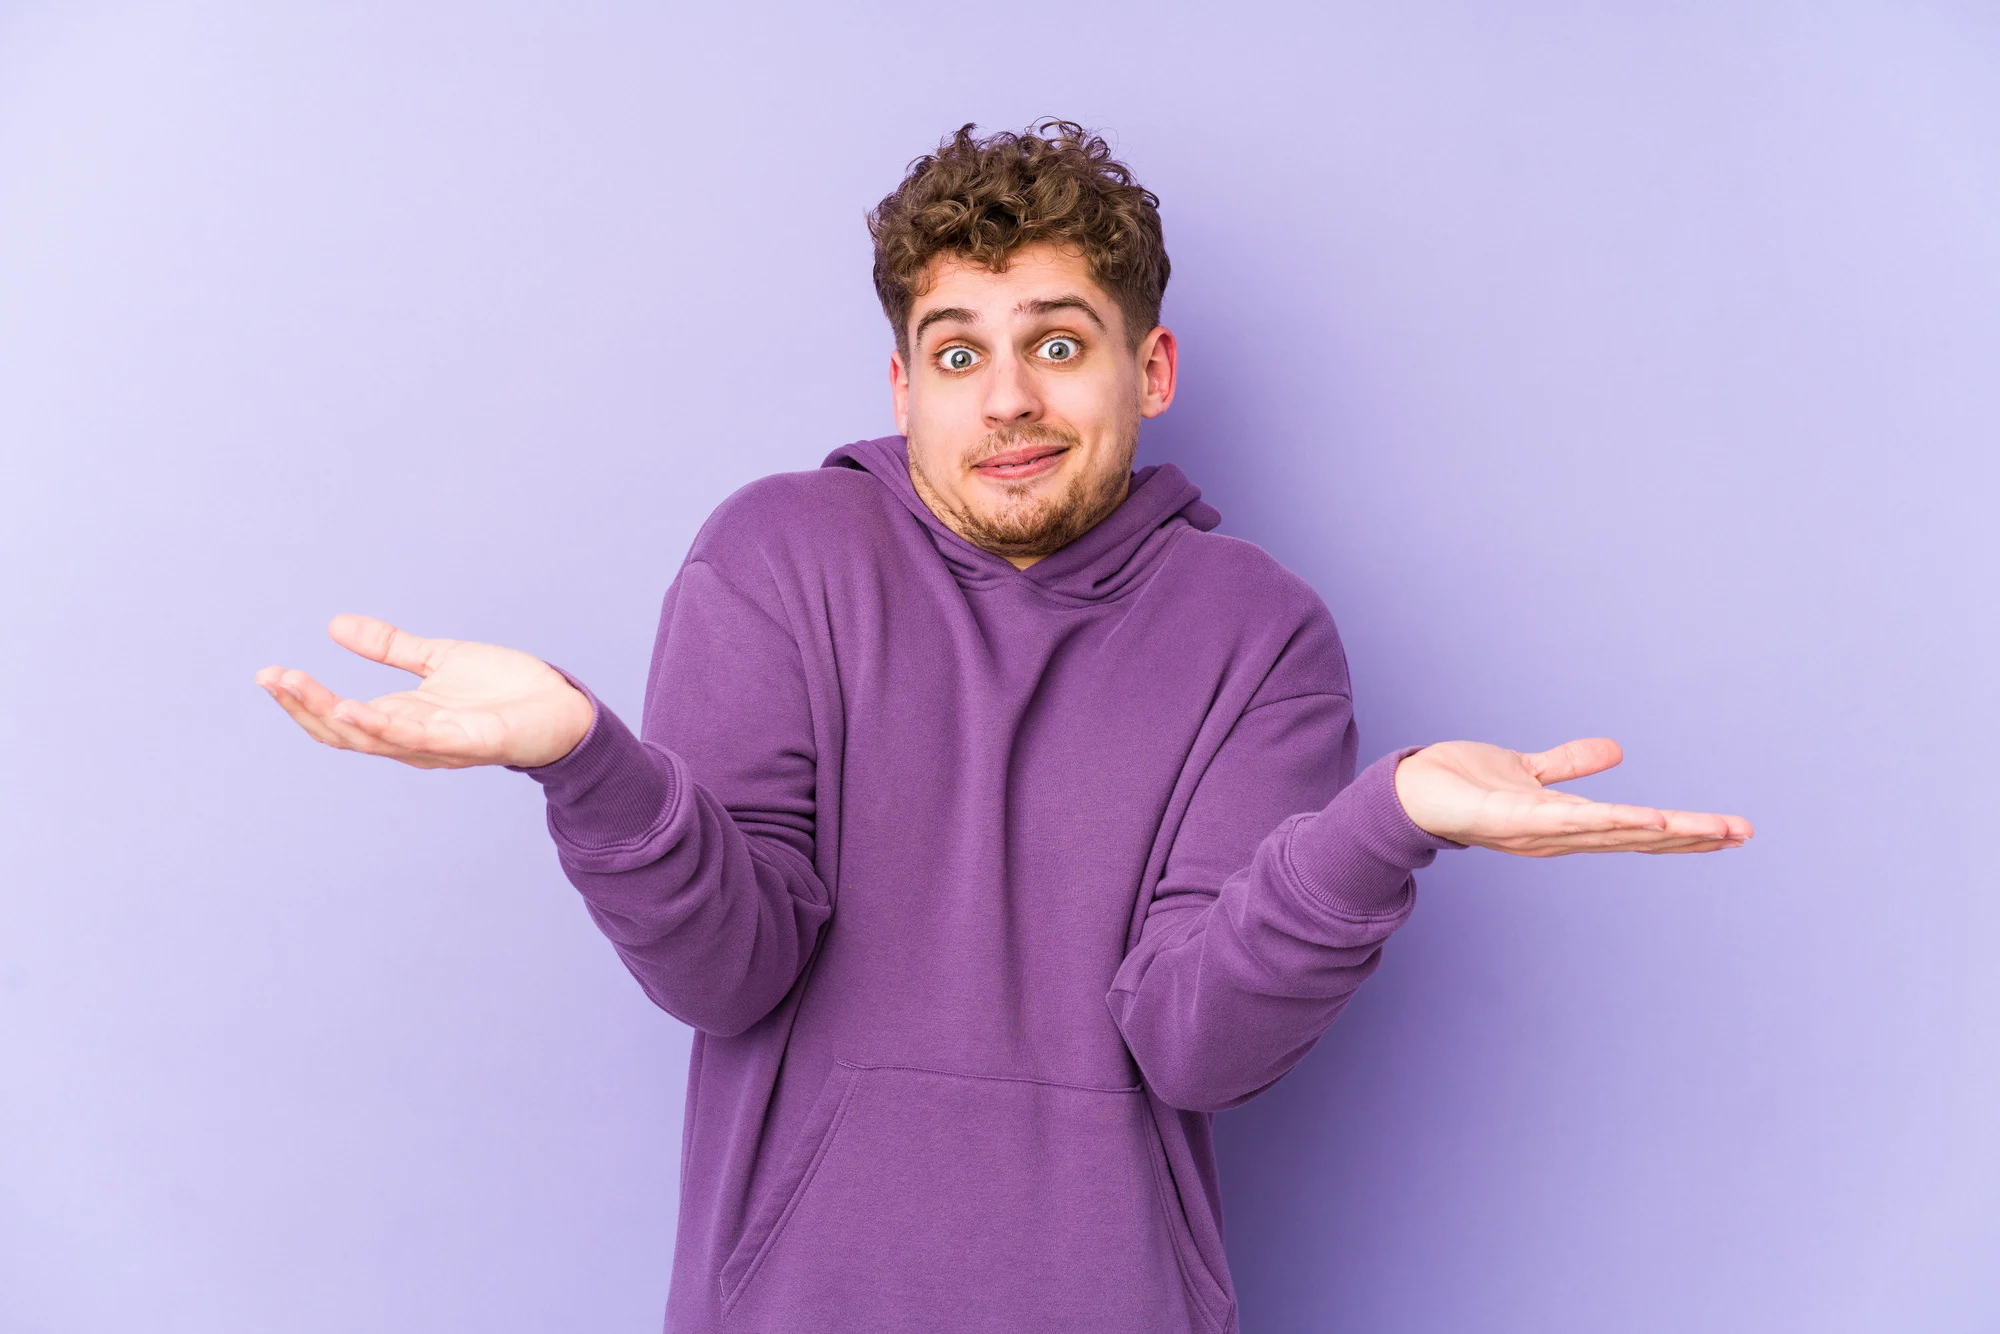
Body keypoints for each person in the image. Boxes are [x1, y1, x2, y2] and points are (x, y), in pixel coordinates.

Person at [255, 119, 1752, 1333]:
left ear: (1145, 371)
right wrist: (585, 761)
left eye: (1059, 341)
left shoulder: (1258, 630)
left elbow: (1196, 1039)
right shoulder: (776, 559)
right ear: (903, 386)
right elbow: (734, 965)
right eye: (960, 353)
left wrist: (1388, 822)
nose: (1009, 398)